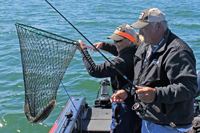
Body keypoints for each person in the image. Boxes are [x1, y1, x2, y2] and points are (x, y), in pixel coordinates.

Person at [110, 8, 197, 133]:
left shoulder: (178, 51)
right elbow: (141, 79)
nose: (140, 33)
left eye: (144, 28)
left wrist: (156, 94)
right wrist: (127, 91)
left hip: (168, 125)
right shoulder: (145, 46)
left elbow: (188, 88)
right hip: (149, 118)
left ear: (158, 26)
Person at [77, 24, 143, 133]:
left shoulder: (121, 61)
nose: (115, 43)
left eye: (118, 41)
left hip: (125, 105)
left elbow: (95, 70)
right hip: (136, 102)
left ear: (130, 41)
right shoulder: (137, 50)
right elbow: (120, 50)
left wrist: (83, 50)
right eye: (114, 40)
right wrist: (104, 46)